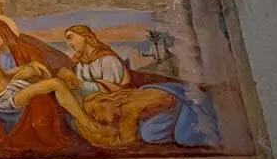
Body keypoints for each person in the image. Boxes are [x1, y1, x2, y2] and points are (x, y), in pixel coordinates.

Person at [58, 23, 221, 148]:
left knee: (173, 135)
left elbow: (123, 139)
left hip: (158, 98)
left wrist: (92, 130)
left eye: (71, 37)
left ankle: (193, 114)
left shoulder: (108, 60)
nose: (69, 43)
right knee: (149, 132)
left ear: (86, 37)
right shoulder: (81, 65)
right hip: (138, 102)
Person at [0, 35, 112, 148]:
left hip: (14, 87)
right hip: (4, 99)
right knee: (56, 83)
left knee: (46, 76)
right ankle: (87, 123)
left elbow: (4, 75)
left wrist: (28, 67)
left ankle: (83, 120)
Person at [0, 15, 72, 152]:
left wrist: (32, 72)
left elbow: (45, 75)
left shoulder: (27, 49)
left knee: (41, 100)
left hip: (23, 95)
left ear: (2, 30)